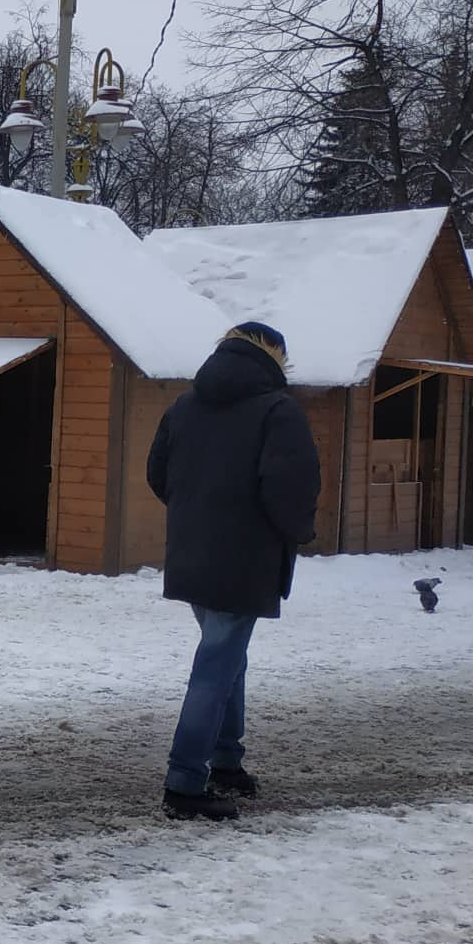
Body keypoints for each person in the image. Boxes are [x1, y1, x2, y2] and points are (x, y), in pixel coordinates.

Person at [147, 322, 321, 823]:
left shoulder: (184, 406)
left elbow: (158, 474)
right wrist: (296, 531)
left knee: (227, 657)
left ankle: (225, 760)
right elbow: (291, 487)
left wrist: (196, 514)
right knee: (216, 666)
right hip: (245, 558)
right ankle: (184, 782)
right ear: (276, 359)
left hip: (191, 553)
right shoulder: (278, 410)